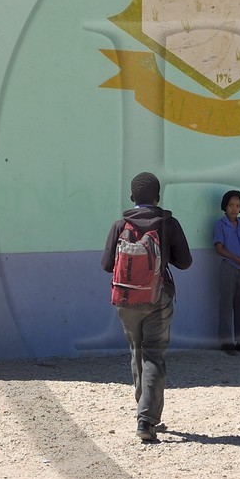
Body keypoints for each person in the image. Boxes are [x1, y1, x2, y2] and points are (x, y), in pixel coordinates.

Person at [101, 172, 193, 444]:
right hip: (159, 296)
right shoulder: (168, 223)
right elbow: (185, 262)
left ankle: (145, 412)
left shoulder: (121, 225)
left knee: (137, 351)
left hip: (127, 299)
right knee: (154, 354)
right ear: (158, 197)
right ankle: (146, 419)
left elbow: (107, 264)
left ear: (132, 198)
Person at [212, 189, 240, 356]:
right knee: (226, 305)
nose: (234, 209)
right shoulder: (220, 224)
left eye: (237, 205)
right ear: (225, 206)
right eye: (231, 205)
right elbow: (219, 249)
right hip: (228, 267)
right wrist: (237, 259)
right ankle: (226, 342)